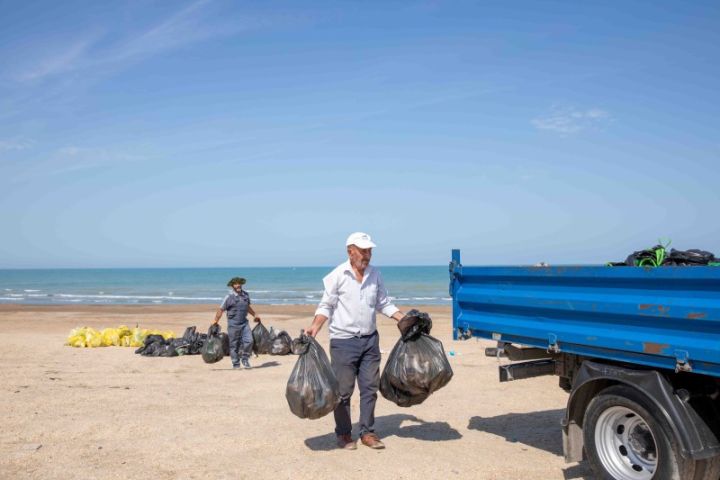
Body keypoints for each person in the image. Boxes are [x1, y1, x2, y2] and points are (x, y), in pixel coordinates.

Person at [306, 232, 405, 451]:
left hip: (370, 341)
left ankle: (368, 433)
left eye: (369, 251)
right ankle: (343, 434)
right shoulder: (337, 275)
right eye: (363, 251)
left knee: (370, 389)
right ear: (350, 251)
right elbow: (326, 305)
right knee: (343, 392)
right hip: (343, 342)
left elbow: (383, 303)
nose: (367, 255)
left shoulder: (375, 274)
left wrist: (402, 318)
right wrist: (315, 326)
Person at [213, 277, 260, 369]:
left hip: (244, 323)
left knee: (249, 341)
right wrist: (215, 321)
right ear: (232, 286)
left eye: (239, 283)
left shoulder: (246, 295)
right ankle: (236, 363)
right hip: (233, 324)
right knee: (234, 345)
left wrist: (255, 315)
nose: (238, 285)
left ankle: (245, 359)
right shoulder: (229, 297)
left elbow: (247, 307)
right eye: (235, 284)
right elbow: (221, 310)